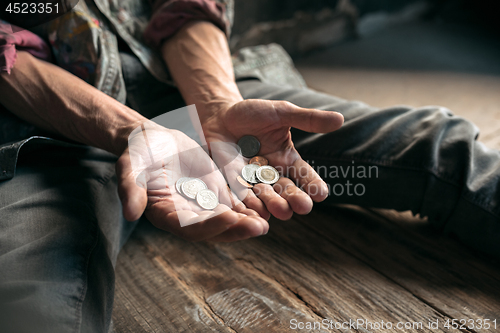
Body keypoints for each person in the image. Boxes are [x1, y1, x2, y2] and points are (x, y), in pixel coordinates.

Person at [0, 0, 498, 332]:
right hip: (45, 127)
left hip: (183, 82)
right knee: (34, 310)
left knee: (436, 144)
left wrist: (216, 105)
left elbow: (184, 5)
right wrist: (132, 130)